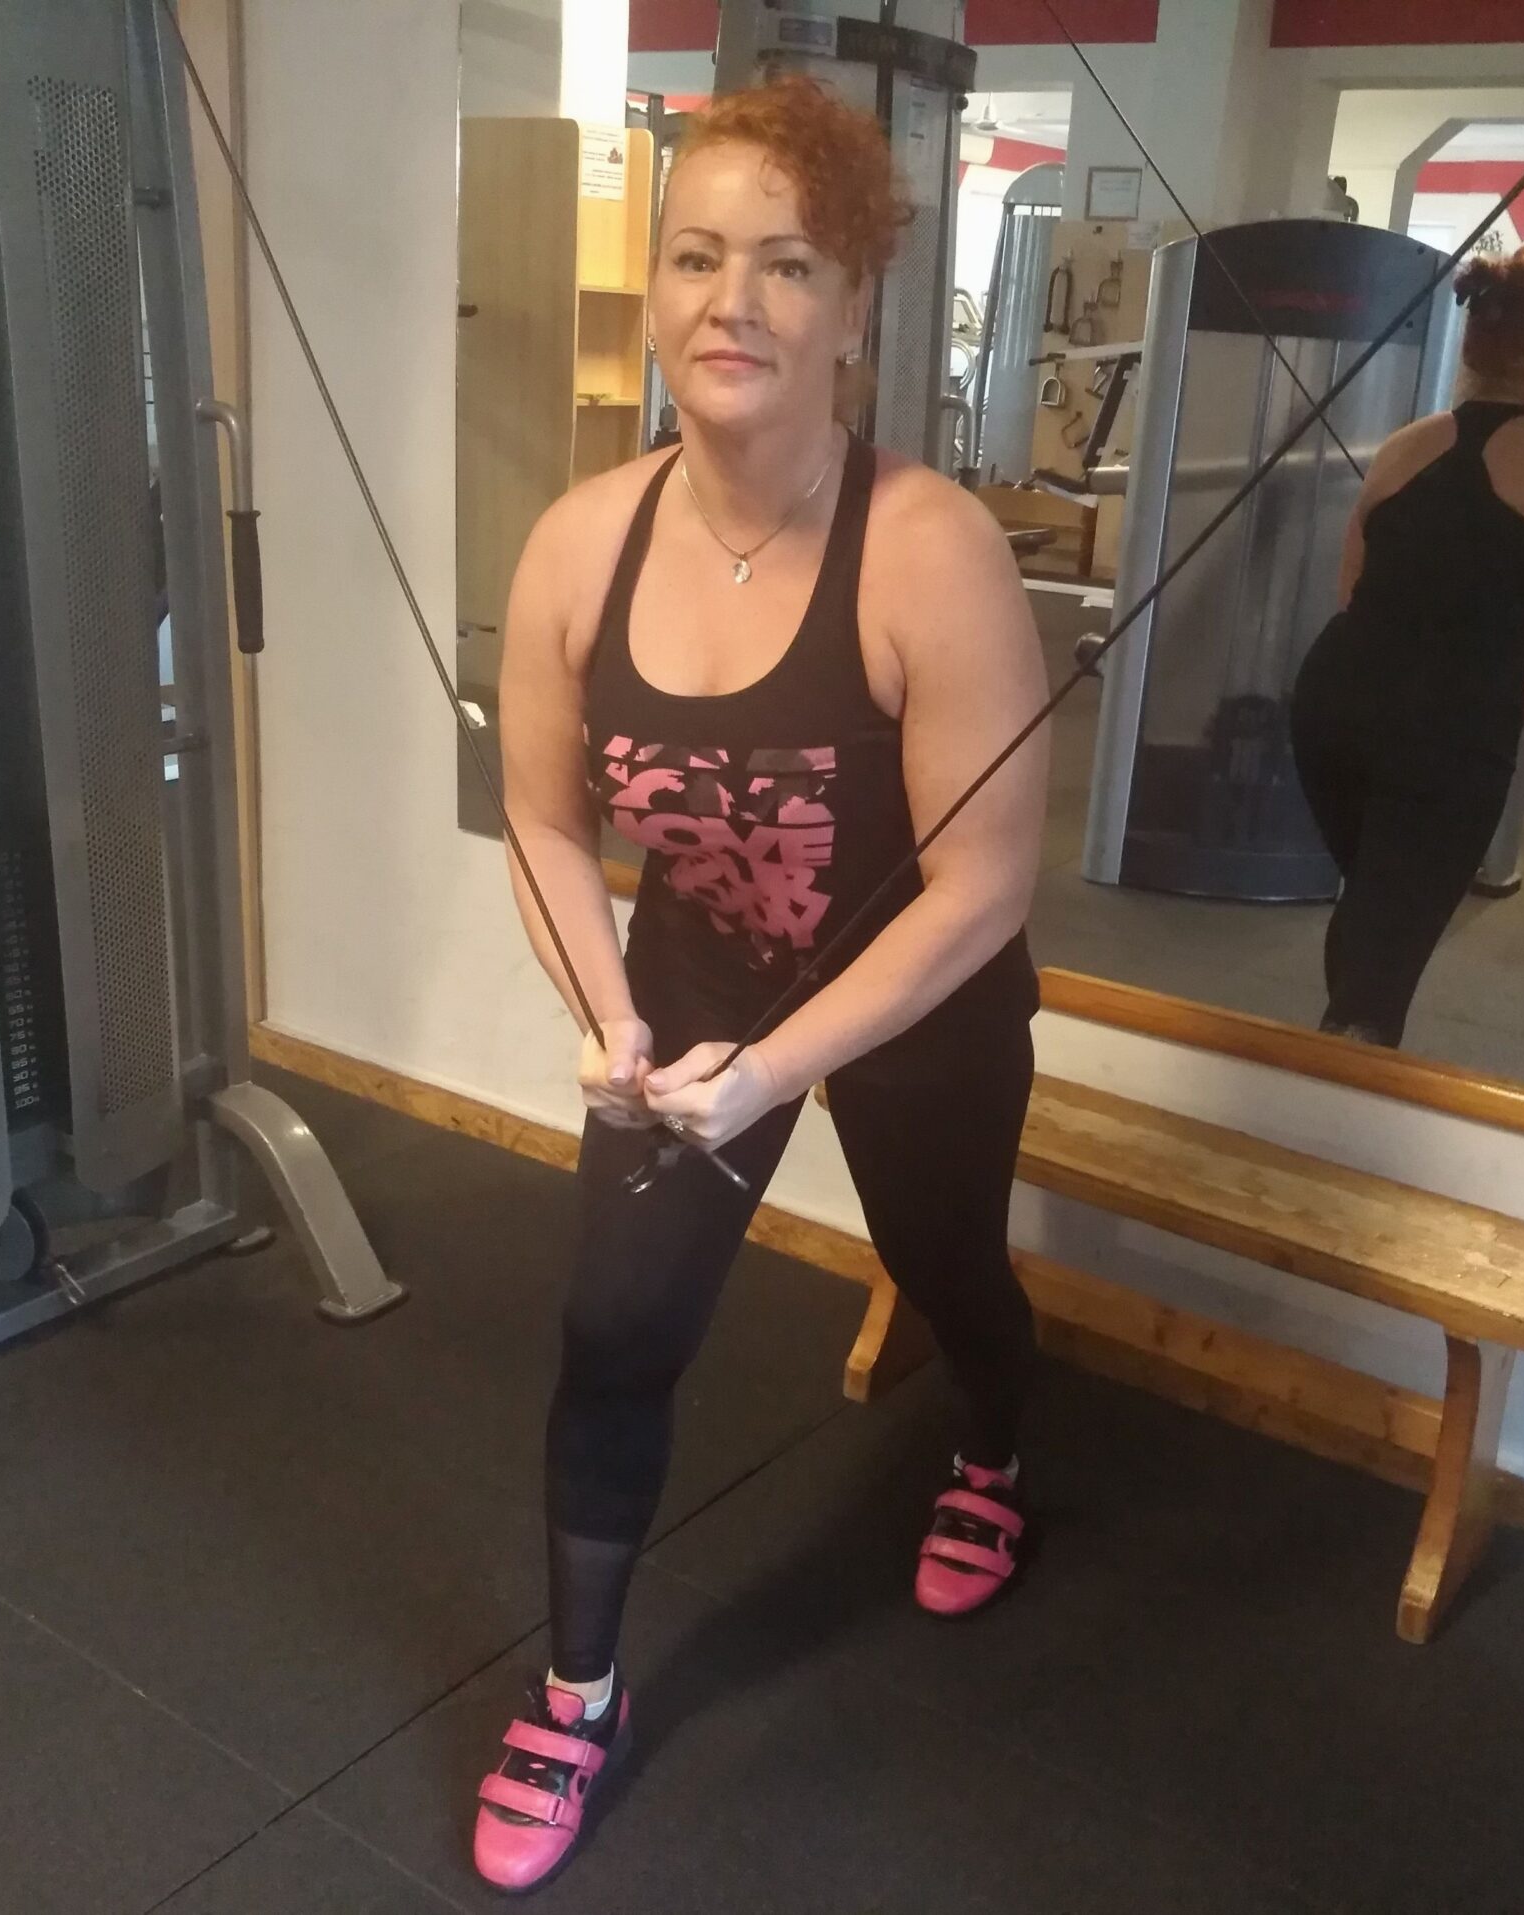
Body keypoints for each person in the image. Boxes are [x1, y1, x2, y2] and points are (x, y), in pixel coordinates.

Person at [475, 78, 1049, 1892]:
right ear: (656, 285)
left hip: (918, 997)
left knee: (947, 1270)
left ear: (854, 308)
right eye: (698, 256)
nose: (733, 301)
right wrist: (606, 1014)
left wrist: (777, 1064)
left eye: (788, 265)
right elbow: (542, 816)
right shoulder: (580, 542)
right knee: (614, 1328)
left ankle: (998, 1454)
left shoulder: (932, 548)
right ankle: (576, 1694)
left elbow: (983, 883)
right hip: (695, 983)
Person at [1288, 242, 1524, 1047]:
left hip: (1334, 701)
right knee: (1389, 939)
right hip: (1452, 724)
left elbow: (1351, 591)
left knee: (1375, 903)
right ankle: (1334, 1086)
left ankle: (1334, 1068)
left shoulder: (1407, 444)